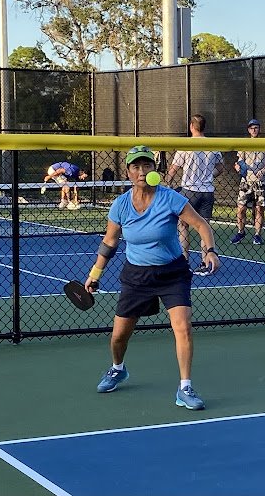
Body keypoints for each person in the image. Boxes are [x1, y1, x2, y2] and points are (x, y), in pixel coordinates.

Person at [86, 145, 221, 410]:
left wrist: (210, 250)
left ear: (153, 170)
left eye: (146, 165)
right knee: (119, 337)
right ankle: (117, 368)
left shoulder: (169, 198)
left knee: (182, 326)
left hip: (172, 273)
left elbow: (201, 225)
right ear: (128, 171)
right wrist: (95, 274)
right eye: (135, 166)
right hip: (136, 276)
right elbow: (109, 243)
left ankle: (185, 387)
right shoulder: (121, 205)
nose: (141, 170)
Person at [165, 114, 225, 275]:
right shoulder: (213, 145)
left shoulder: (186, 145)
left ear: (192, 126)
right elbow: (220, 168)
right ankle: (206, 262)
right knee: (203, 226)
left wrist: (167, 183)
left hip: (189, 191)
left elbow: (173, 169)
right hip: (207, 192)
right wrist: (207, 176)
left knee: (183, 225)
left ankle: (184, 261)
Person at [230, 119, 265, 245]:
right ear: (248, 130)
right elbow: (238, 161)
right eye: (251, 128)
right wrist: (237, 167)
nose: (254, 130)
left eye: (256, 127)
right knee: (240, 209)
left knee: (259, 209)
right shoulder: (244, 144)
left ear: (259, 129)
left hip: (260, 182)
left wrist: (264, 170)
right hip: (246, 182)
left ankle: (257, 235)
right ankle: (240, 232)